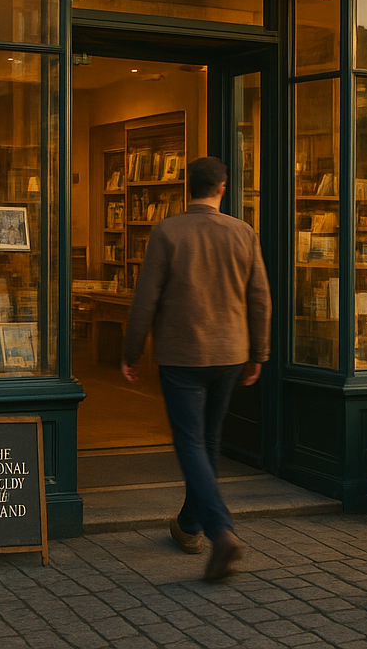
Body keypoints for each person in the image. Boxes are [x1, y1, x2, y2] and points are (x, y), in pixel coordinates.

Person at [122, 156, 272, 582]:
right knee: (208, 440)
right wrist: (258, 353)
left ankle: (220, 530)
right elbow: (260, 297)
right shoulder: (243, 233)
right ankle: (190, 526)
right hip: (229, 354)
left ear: (186, 187)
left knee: (190, 443)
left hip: (181, 355)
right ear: (222, 188)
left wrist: (131, 352)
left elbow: (145, 298)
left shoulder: (167, 231)